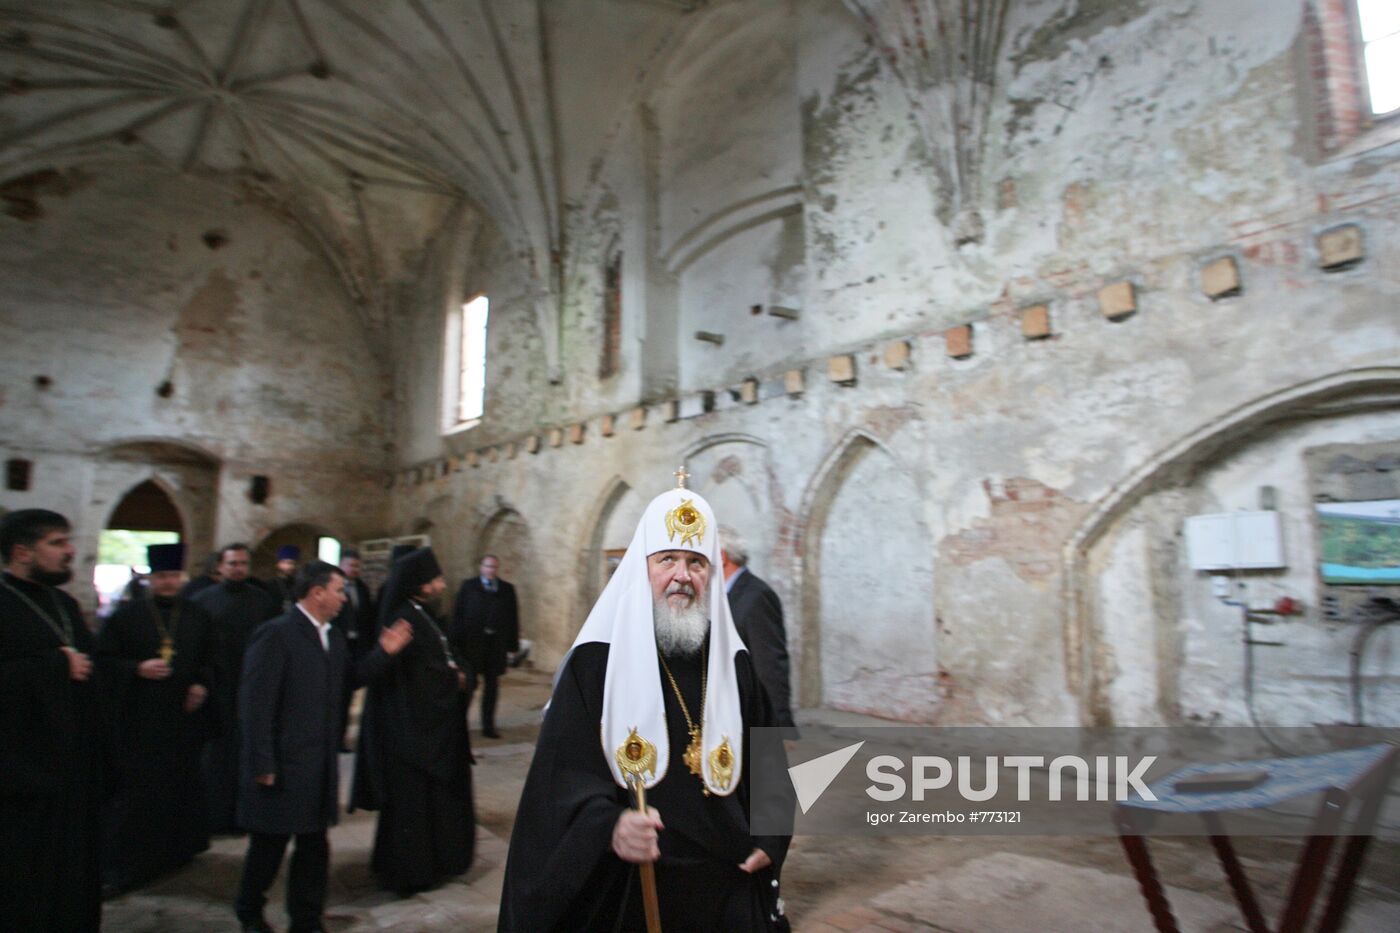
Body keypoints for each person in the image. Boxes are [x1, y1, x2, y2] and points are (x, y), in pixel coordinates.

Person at [499, 480, 791, 932]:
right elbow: (559, 780)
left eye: (697, 562)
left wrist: (771, 837)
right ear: (643, 567)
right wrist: (609, 824)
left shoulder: (734, 663)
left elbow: (768, 755)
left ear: (711, 574)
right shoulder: (595, 663)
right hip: (637, 883)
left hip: (725, 877)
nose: (682, 575)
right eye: (668, 559)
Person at [234, 561, 413, 933]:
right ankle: (249, 912)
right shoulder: (276, 635)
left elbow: (349, 680)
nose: (344, 598)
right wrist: (262, 762)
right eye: (338, 590)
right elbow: (255, 706)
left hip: (317, 764)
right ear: (316, 593)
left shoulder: (330, 637)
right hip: (283, 764)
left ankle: (306, 919)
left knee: (314, 847)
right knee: (269, 847)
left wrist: (384, 652)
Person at [0, 509, 105, 932]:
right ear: (23, 551)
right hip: (19, 774)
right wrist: (50, 665)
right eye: (58, 543)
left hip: (72, 770)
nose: (70, 551)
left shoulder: (63, 603)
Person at [351, 547, 475, 896]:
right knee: (412, 809)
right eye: (435, 579)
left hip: (430, 730)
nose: (441, 584)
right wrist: (455, 681)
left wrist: (462, 672)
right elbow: (417, 677)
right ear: (420, 585)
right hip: (411, 733)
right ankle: (409, 874)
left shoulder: (426, 615)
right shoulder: (404, 618)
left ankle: (437, 864)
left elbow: (448, 655)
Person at [95, 542, 214, 893]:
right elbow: (102, 662)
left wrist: (201, 685)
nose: (168, 583)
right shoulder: (125, 617)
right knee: (139, 796)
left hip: (183, 720)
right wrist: (136, 668)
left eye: (174, 576)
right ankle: (131, 864)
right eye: (162, 577)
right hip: (140, 723)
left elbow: (212, 660)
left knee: (181, 786)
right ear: (150, 578)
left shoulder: (197, 615)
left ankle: (177, 852)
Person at [194, 543, 280, 833]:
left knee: (250, 749)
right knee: (218, 754)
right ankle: (217, 816)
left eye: (243, 563)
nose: (238, 568)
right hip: (218, 687)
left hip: (254, 685)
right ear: (220, 566)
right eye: (232, 563)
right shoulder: (203, 600)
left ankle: (249, 814)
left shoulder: (264, 600)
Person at [719, 526, 795, 731]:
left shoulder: (757, 596)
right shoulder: (725, 594)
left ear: (721, 557)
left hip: (753, 715)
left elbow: (770, 664)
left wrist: (780, 723)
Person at [451, 553, 520, 738]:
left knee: (492, 687)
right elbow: (458, 615)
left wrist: (512, 647)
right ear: (481, 567)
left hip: (495, 646)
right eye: (488, 567)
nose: (490, 571)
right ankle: (458, 725)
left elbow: (513, 619)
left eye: (494, 567)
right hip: (472, 646)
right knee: (469, 685)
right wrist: (455, 645)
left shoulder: (506, 589)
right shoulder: (469, 587)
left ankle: (488, 726)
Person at [329, 549, 376, 750]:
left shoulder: (362, 589)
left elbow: (367, 617)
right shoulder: (333, 587)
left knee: (347, 694)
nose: (354, 569)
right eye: (351, 565)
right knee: (335, 696)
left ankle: (341, 737)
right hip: (337, 645)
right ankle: (332, 737)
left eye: (357, 566)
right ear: (342, 565)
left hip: (356, 646)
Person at [264, 544, 300, 612]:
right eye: (285, 562)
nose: (288, 567)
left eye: (292, 563)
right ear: (278, 564)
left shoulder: (299, 584)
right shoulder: (269, 585)